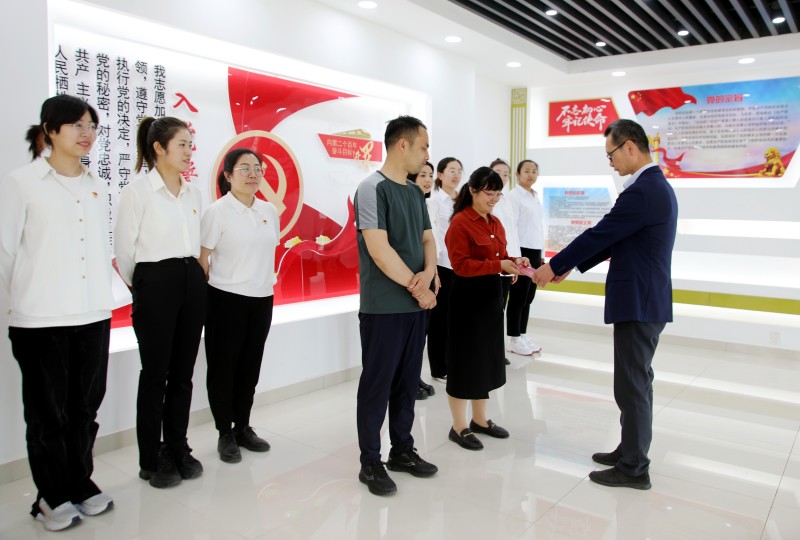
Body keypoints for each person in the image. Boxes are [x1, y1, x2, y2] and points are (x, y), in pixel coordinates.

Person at [535, 119, 678, 490]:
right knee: (634, 382)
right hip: (645, 298)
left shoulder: (643, 190)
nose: (611, 163)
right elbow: (618, 240)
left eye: (611, 154)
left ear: (629, 146)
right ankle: (629, 449)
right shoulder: (652, 187)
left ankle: (634, 468)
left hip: (639, 301)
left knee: (632, 385)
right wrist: (571, 266)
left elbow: (601, 233)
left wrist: (554, 265)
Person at [0, 95, 115, 531]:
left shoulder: (96, 185)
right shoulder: (23, 182)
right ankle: (51, 496)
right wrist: (24, 300)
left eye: (92, 126)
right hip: (41, 319)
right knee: (48, 414)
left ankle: (79, 482)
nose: (87, 134)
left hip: (92, 314)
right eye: (76, 125)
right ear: (49, 130)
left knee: (85, 408)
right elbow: (6, 253)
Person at [114, 116, 206, 489]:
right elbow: (124, 253)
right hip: (154, 282)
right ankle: (152, 456)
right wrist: (146, 287)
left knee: (183, 373)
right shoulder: (137, 192)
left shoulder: (193, 192)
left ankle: (178, 446)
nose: (189, 152)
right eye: (182, 144)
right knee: (155, 374)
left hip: (191, 280)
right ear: (159, 148)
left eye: (190, 145)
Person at [354, 115, 439, 496]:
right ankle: (370, 461)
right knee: (377, 385)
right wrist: (418, 288)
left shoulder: (415, 192)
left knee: (407, 383)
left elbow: (427, 239)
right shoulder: (371, 188)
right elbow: (379, 249)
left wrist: (431, 272)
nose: (426, 155)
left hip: (415, 306)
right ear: (401, 144)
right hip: (384, 307)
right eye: (423, 147)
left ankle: (402, 449)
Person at [199, 149, 279, 463]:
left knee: (249, 366)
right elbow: (203, 259)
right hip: (225, 298)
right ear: (228, 175)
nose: (252, 174)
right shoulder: (217, 212)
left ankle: (243, 426)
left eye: (257, 168)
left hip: (262, 298)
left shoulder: (268, 210)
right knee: (223, 368)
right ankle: (224, 432)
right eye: (244, 168)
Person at [444, 167, 530, 451]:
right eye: (488, 193)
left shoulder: (494, 222)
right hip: (467, 301)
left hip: (491, 299)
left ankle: (480, 419)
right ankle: (459, 427)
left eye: (497, 194)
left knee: (484, 361)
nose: (493, 199)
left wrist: (514, 262)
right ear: (472, 190)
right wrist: (498, 265)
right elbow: (460, 265)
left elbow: (501, 256)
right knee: (465, 362)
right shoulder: (460, 223)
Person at [426, 157, 463, 381]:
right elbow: (431, 236)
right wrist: (434, 271)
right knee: (439, 320)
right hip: (442, 265)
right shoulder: (434, 201)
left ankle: (453, 363)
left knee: (455, 319)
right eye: (451, 170)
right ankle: (439, 368)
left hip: (460, 265)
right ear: (440, 175)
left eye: (459, 171)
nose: (456, 175)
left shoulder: (462, 200)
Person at [505, 159, 545, 356]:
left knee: (529, 296)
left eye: (534, 171)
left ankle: (522, 334)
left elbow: (538, 228)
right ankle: (514, 338)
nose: (531, 174)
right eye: (527, 171)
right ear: (518, 174)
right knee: (518, 296)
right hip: (522, 251)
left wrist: (542, 255)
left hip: (535, 251)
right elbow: (511, 228)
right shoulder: (513, 197)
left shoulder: (535, 196)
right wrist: (516, 255)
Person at [489, 158, 521, 366]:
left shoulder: (507, 200)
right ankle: (490, 353)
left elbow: (512, 234)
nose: (503, 177)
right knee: (492, 310)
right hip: (494, 264)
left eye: (506, 174)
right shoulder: (487, 201)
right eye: (498, 172)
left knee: (500, 309)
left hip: (508, 263)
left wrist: (515, 264)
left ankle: (496, 353)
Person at [409, 161, 437, 400]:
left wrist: (433, 271)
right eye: (422, 175)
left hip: (428, 272)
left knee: (422, 333)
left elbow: (432, 241)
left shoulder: (427, 203)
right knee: (413, 335)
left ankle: (414, 376)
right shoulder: (410, 203)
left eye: (430, 175)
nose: (428, 180)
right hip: (414, 276)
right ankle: (408, 379)